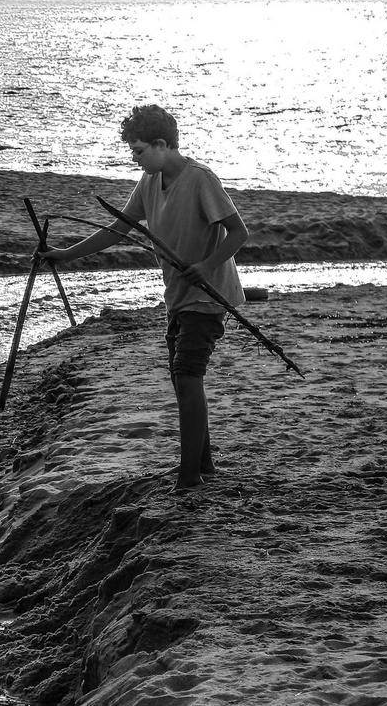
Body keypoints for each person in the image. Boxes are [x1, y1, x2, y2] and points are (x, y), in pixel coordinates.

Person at [40, 104, 248, 492]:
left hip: (207, 295)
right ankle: (204, 465)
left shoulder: (201, 178)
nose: (134, 158)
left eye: (138, 151)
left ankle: (189, 478)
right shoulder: (149, 182)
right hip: (178, 297)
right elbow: (118, 229)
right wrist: (65, 255)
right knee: (182, 377)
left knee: (188, 375)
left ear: (161, 143)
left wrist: (206, 265)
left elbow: (238, 234)